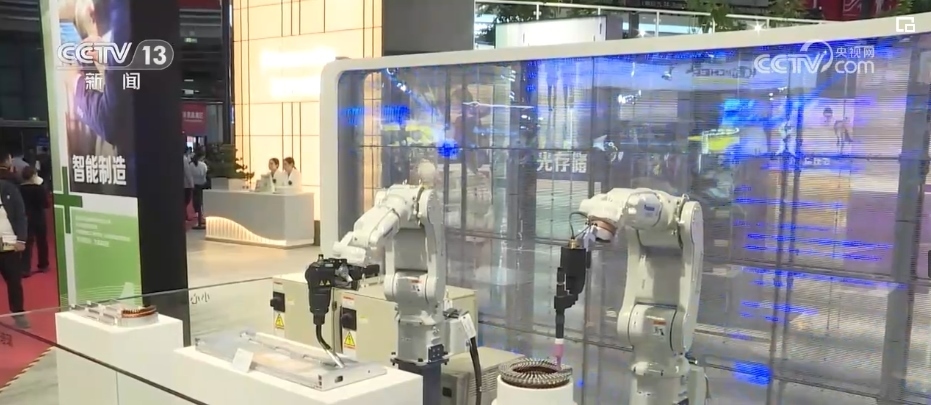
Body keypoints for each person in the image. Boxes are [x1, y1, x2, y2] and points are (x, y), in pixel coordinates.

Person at [0, 152, 29, 329]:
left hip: (9, 243)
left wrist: (21, 240)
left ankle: (18, 314)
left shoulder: (9, 188)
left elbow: (20, 215)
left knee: (14, 281)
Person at [19, 166, 49, 276]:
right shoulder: (39, 189)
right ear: (33, 176)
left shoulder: (20, 189)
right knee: (42, 241)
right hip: (39, 217)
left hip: (26, 217)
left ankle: (25, 268)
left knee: (28, 243)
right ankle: (43, 264)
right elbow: (46, 204)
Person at [190, 154, 208, 229]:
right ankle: (201, 217)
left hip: (195, 185)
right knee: (202, 201)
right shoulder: (203, 165)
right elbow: (205, 173)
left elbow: (190, 175)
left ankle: (199, 217)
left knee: (196, 202)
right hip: (202, 184)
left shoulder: (191, 165)